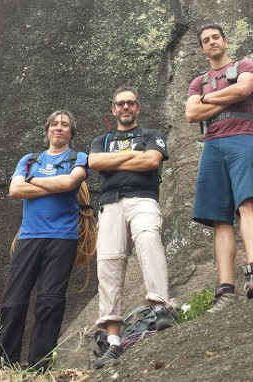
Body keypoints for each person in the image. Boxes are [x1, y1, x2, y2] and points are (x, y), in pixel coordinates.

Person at [88, 87, 175, 369]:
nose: (125, 107)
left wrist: (117, 162)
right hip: (110, 203)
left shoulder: (151, 135)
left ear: (137, 108)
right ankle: (113, 339)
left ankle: (161, 308)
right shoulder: (102, 139)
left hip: (143, 198)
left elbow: (152, 160)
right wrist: (134, 157)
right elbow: (95, 162)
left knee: (149, 240)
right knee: (108, 263)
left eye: (130, 103)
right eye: (120, 104)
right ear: (113, 110)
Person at [185, 23, 253, 313]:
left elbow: (245, 88)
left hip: (243, 138)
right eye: (206, 40)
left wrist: (207, 100)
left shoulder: (244, 64)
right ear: (202, 48)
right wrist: (225, 96)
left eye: (215, 37)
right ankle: (225, 290)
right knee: (219, 218)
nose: (211, 43)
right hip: (213, 143)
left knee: (247, 202)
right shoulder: (199, 81)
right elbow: (191, 113)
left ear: (225, 40)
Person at [0, 110, 88, 371]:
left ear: (71, 132)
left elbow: (71, 183)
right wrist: (53, 183)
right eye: (55, 124)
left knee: (50, 300)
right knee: (13, 300)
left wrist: (34, 182)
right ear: (47, 129)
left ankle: (39, 366)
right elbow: (15, 189)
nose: (59, 128)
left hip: (62, 237)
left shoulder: (78, 157)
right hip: (29, 236)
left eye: (65, 125)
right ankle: (5, 364)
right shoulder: (29, 159)